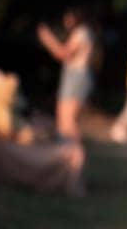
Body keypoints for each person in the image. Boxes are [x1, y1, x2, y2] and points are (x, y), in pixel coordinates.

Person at [36, 8, 95, 141]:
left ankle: (73, 155)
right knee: (63, 119)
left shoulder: (82, 33)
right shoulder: (82, 33)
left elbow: (63, 53)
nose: (66, 20)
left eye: (69, 17)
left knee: (67, 121)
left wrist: (47, 38)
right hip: (73, 76)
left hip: (77, 77)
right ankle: (67, 154)